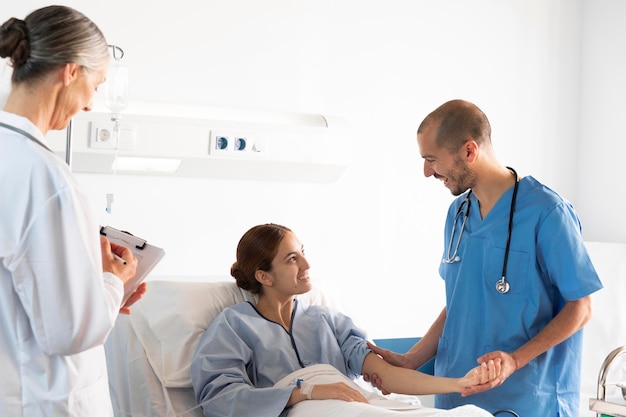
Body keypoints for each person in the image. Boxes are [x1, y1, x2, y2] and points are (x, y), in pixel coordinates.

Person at [366, 99, 603, 416]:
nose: (426, 172)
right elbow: (460, 302)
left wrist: (513, 361)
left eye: (431, 159)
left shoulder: (546, 212)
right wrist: (412, 360)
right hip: (458, 398)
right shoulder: (458, 213)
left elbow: (581, 307)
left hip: (527, 401)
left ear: (468, 151)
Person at [191, 223, 501, 417]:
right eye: (292, 259)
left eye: (302, 252)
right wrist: (307, 392)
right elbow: (220, 401)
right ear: (263, 276)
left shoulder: (328, 321)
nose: (306, 263)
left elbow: (387, 376)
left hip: (350, 403)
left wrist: (458, 384)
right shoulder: (234, 325)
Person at [0, 6, 145, 417]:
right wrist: (111, 282)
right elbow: (69, 330)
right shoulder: (45, 177)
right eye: (95, 85)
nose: (89, 105)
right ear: (70, 71)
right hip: (46, 401)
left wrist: (99, 291)